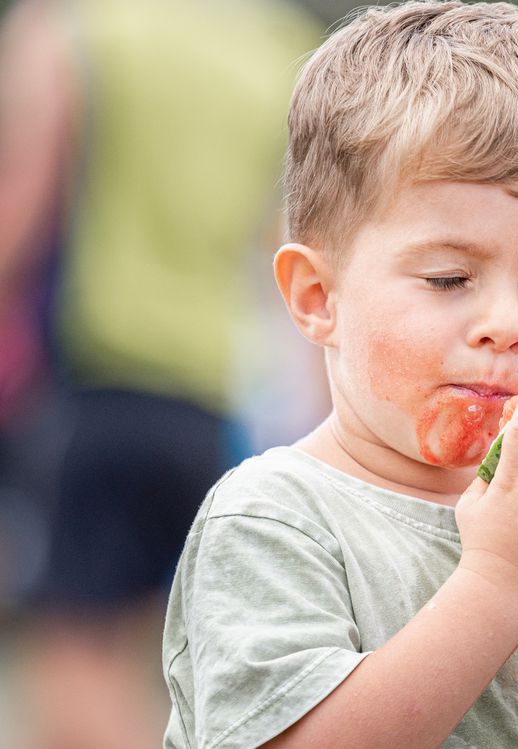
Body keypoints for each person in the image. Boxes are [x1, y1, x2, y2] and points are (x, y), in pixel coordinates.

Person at [162, 3, 518, 747]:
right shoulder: (274, 518)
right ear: (317, 298)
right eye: (447, 278)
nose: (506, 322)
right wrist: (503, 582)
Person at [0, 0, 321, 746]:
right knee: (144, 667)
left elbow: (21, 206)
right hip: (212, 399)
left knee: (72, 664)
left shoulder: (77, 30)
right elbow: (294, 242)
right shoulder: (287, 53)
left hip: (94, 383)